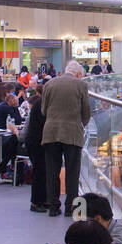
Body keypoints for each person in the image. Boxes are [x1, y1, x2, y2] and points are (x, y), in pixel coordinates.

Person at [38, 60, 91, 217]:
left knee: (52, 171)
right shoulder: (81, 85)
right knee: (72, 172)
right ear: (78, 74)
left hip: (51, 133)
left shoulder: (49, 84)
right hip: (72, 133)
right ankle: (71, 208)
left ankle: (53, 207)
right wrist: (82, 123)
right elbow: (86, 111)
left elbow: (43, 110)